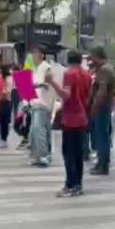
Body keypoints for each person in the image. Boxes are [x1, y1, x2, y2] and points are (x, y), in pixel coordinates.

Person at [46, 50, 92, 197]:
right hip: (82, 116)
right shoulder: (86, 75)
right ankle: (78, 184)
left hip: (71, 118)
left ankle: (70, 184)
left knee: (69, 153)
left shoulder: (69, 74)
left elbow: (66, 95)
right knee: (78, 154)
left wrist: (52, 82)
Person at [88, 46, 115, 176]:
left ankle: (103, 164)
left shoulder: (104, 70)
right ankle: (102, 162)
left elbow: (102, 91)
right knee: (102, 136)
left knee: (101, 137)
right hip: (104, 106)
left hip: (101, 107)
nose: (90, 59)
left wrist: (94, 106)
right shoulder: (106, 68)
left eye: (92, 56)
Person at [30, 45, 57, 167]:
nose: (33, 56)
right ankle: (37, 155)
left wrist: (36, 85)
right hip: (35, 103)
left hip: (43, 103)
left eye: (35, 54)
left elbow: (47, 85)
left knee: (39, 129)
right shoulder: (35, 68)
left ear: (41, 55)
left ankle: (44, 154)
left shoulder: (46, 68)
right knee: (34, 131)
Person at [0, 65, 15, 149]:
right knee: (1, 121)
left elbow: (7, 91)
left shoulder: (8, 79)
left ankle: (4, 139)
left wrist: (1, 93)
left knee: (4, 121)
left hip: (6, 102)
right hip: (0, 102)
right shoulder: (1, 78)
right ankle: (2, 138)